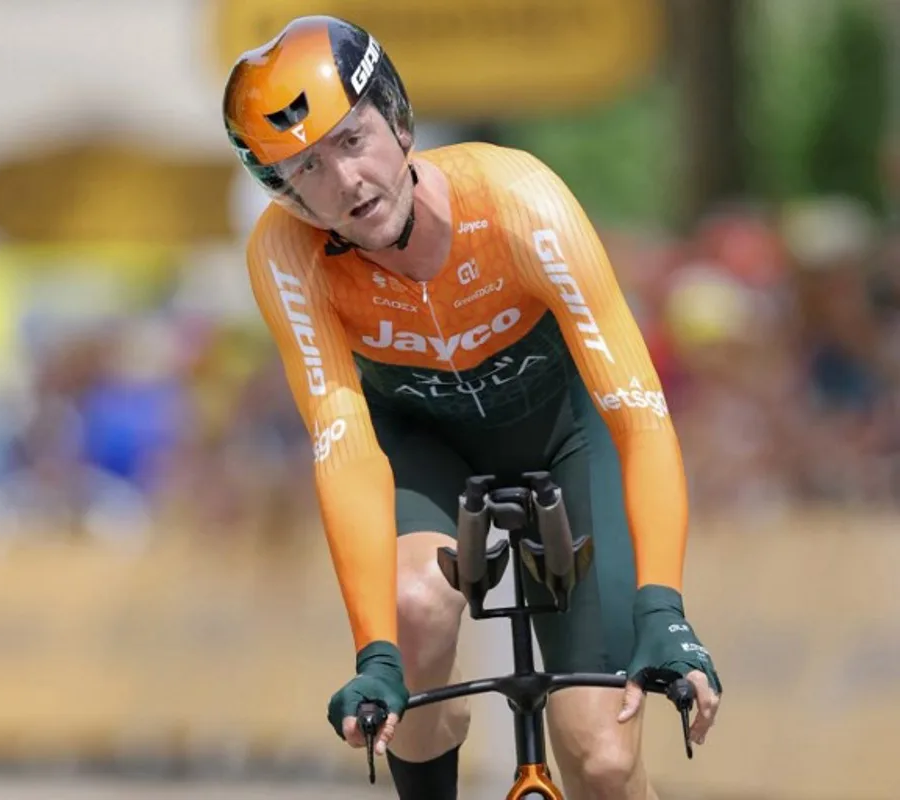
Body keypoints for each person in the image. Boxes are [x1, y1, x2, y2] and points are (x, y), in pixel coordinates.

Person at [222, 15, 722, 800]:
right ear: (284, 193)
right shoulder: (285, 254)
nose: (344, 183)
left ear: (398, 119)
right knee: (416, 606)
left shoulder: (519, 200)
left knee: (601, 759)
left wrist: (665, 607)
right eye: (306, 169)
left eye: (353, 141)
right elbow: (343, 443)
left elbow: (638, 411)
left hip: (564, 435)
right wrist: (375, 655)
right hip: (423, 447)